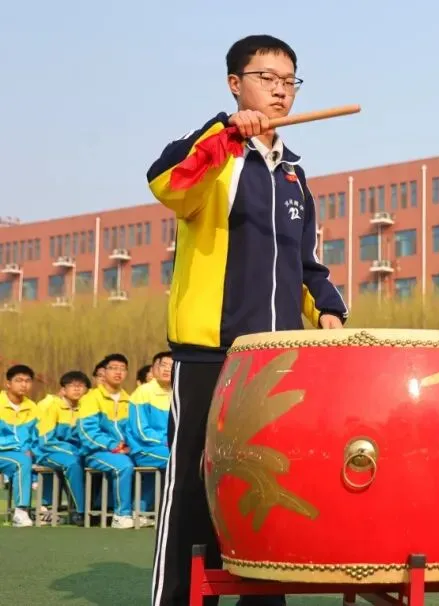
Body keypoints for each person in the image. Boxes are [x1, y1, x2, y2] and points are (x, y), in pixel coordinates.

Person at [147, 34, 349, 606]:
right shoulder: (216, 159)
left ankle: (263, 599)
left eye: (289, 81)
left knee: (266, 485)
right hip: (211, 352)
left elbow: (308, 264)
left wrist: (329, 311)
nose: (280, 90)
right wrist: (224, 130)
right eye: (267, 78)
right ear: (235, 84)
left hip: (275, 361)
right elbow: (165, 181)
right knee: (195, 485)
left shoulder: (294, 175)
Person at [77, 353, 138, 529]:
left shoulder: (129, 399)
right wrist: (113, 445)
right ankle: (121, 514)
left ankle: (142, 511)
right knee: (123, 466)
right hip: (95, 452)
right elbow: (87, 432)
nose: (118, 372)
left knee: (146, 460)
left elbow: (132, 430)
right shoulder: (91, 398)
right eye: (113, 368)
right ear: (103, 372)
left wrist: (130, 446)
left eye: (122, 369)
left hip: (123, 450)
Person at [35, 370, 92, 526]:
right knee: (72, 463)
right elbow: (45, 440)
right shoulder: (53, 407)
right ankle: (80, 511)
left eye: (81, 386)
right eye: (72, 385)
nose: (77, 389)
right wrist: (73, 451)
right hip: (48, 452)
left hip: (75, 452)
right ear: (63, 389)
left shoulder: (86, 409)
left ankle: (97, 507)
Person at [127, 351, 173, 515]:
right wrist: (168, 441)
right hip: (144, 448)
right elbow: (141, 431)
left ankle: (141, 509)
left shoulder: (177, 392)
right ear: (153, 369)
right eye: (163, 365)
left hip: (166, 447)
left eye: (172, 366)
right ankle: (170, 510)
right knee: (176, 461)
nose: (167, 369)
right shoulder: (143, 392)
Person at [0, 364, 38, 528]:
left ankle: (29, 510)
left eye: (27, 381)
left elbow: (37, 436)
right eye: (19, 380)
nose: (24, 384)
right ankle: (22, 510)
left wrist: (32, 450)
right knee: (22, 462)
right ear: (8, 383)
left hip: (19, 454)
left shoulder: (33, 407)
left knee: (25, 460)